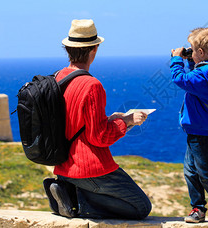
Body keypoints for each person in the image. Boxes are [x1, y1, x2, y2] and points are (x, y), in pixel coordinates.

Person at [43, 19, 152, 220]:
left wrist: (111, 118)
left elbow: (77, 123)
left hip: (63, 166)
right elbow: (99, 137)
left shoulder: (57, 78)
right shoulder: (92, 85)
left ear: (68, 48)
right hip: (90, 168)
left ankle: (67, 190)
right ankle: (77, 201)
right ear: (94, 49)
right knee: (141, 207)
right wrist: (127, 122)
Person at [170, 27, 208, 226]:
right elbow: (196, 79)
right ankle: (198, 208)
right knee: (191, 171)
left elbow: (181, 79)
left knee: (206, 173)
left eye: (193, 50)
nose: (190, 52)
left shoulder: (205, 74)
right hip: (198, 131)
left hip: (202, 132)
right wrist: (190, 60)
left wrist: (177, 59)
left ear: (202, 53)